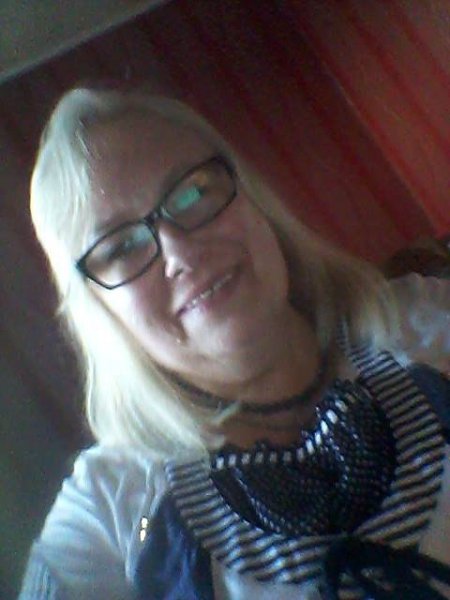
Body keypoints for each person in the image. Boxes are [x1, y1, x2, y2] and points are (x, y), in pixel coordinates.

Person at [19, 86, 450, 600]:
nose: (181, 252)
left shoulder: (429, 319)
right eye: (120, 247)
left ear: (251, 197)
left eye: (191, 193)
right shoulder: (112, 512)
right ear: (98, 310)